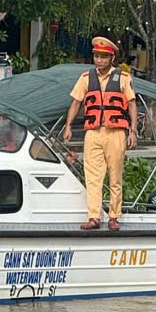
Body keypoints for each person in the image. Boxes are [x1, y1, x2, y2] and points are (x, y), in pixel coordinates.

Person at [63, 37, 138, 231]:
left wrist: (133, 131)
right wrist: (68, 125)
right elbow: (76, 102)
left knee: (115, 176)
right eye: (97, 56)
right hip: (93, 132)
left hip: (116, 133)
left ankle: (114, 216)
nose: (99, 60)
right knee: (93, 176)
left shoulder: (122, 78)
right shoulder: (86, 78)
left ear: (111, 58)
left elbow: (131, 104)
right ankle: (94, 217)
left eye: (104, 57)